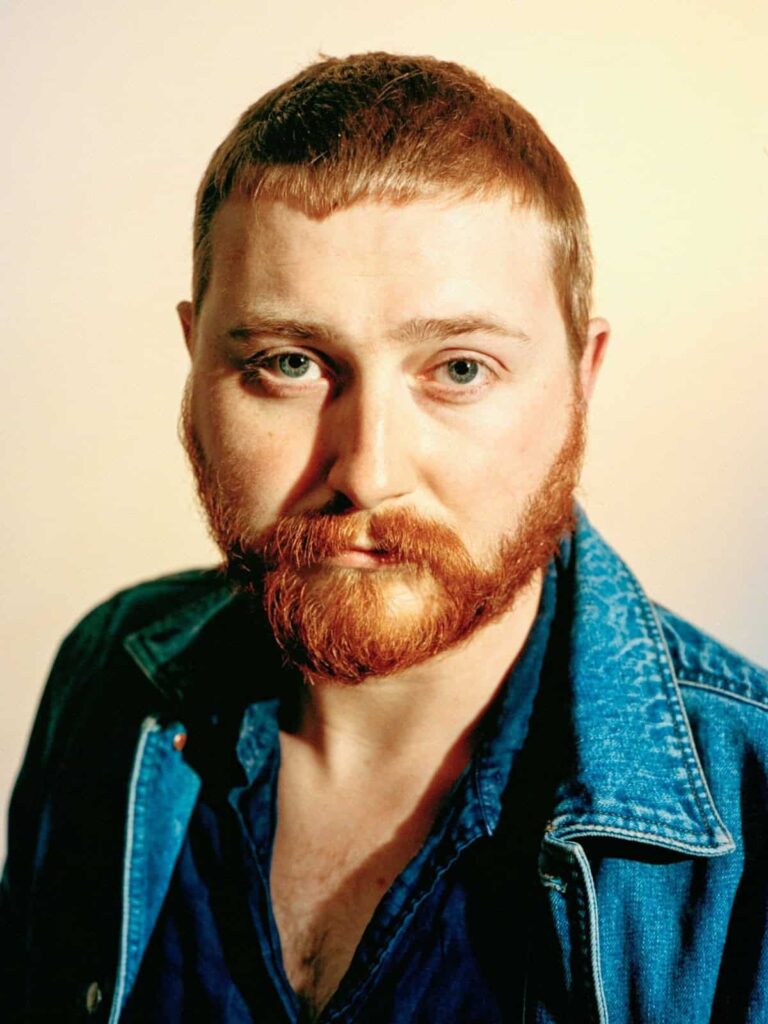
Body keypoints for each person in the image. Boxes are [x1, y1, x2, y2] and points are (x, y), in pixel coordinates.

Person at [2, 51, 766, 1024]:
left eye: (457, 370)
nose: (367, 470)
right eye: (288, 362)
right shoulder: (112, 682)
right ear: (195, 366)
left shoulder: (755, 808)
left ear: (583, 377)